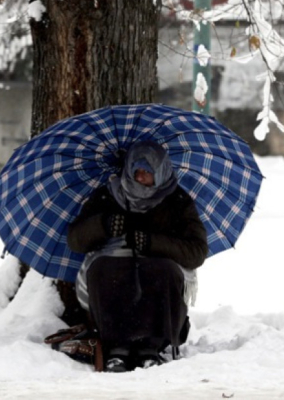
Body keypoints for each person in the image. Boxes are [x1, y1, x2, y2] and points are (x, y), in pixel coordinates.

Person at [67, 140, 208, 372]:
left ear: (161, 172)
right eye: (136, 171)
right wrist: (104, 225)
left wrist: (152, 243)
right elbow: (75, 240)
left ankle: (152, 347)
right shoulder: (108, 195)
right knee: (104, 270)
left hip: (160, 273)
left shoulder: (177, 201)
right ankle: (116, 347)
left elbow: (196, 251)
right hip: (114, 267)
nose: (140, 178)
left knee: (162, 271)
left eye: (148, 172)